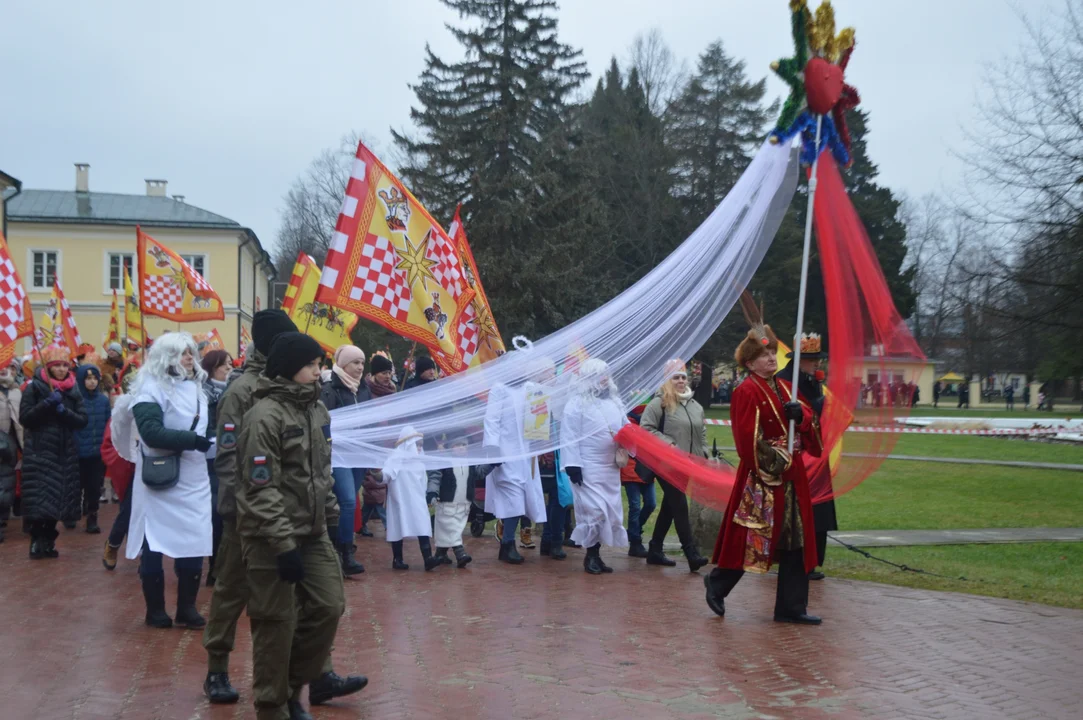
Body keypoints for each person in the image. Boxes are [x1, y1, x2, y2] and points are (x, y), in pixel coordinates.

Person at [235, 332, 362, 720]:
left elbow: (321, 472)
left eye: (319, 364)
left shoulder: (317, 411)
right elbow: (260, 488)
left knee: (329, 605)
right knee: (276, 623)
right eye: (312, 365)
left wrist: (332, 522)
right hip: (271, 538)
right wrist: (283, 543)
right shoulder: (264, 416)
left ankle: (293, 684)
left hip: (314, 532)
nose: (319, 371)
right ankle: (273, 706)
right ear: (291, 370)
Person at [704, 306, 823, 625]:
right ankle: (717, 584)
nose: (771, 358)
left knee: (795, 540)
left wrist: (803, 417)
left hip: (792, 479)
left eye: (772, 352)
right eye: (764, 354)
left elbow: (809, 423)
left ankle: (791, 606)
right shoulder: (746, 391)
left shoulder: (785, 387)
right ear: (749, 361)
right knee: (752, 539)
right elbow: (747, 441)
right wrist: (777, 460)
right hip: (762, 478)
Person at [123, 333, 212, 630]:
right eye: (182, 353)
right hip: (159, 476)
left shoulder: (198, 389)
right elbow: (150, 433)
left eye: (190, 353)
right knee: (154, 542)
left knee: (195, 539)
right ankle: (156, 610)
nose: (189, 358)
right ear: (166, 356)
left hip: (194, 475)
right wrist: (194, 441)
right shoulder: (150, 389)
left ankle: (187, 608)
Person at [638, 359, 709, 572]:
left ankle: (655, 549)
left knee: (670, 505)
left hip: (689, 464)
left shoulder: (695, 406)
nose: (680, 380)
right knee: (679, 505)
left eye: (683, 377)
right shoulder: (659, 403)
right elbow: (646, 428)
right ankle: (691, 553)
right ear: (667, 380)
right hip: (666, 463)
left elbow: (702, 432)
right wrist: (670, 444)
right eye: (675, 377)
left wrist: (703, 452)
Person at [560, 359, 629, 574]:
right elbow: (569, 436)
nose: (605, 378)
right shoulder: (576, 403)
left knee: (609, 511)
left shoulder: (615, 402)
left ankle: (597, 554)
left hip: (609, 467)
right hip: (587, 466)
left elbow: (627, 428)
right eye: (600, 374)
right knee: (594, 511)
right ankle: (590, 554)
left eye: (606, 373)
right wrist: (573, 465)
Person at [19, 344, 88, 559]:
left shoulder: (73, 389)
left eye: (64, 365)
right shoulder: (35, 388)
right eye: (56, 366)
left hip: (63, 453)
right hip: (40, 452)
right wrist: (47, 404)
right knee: (40, 500)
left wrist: (63, 411)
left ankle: (49, 540)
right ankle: (36, 540)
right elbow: (26, 418)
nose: (61, 369)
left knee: (57, 500)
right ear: (48, 368)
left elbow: (81, 420)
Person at [776, 334, 835, 581]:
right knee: (795, 509)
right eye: (812, 360)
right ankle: (795, 558)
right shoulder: (783, 382)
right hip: (795, 453)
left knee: (818, 509)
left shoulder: (813, 382)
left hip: (815, 452)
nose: (817, 364)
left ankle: (812, 560)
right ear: (800, 360)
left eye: (818, 360)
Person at [483, 354, 551, 565]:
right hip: (506, 452)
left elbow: (540, 417)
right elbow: (492, 418)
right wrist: (493, 448)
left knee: (522, 498)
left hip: (526, 452)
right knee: (513, 498)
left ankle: (508, 541)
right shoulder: (499, 389)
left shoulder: (532, 388)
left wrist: (540, 440)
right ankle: (507, 544)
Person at [320, 344, 371, 575]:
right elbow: (323, 422)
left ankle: (336, 547)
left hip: (358, 454)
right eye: (355, 363)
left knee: (347, 503)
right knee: (349, 501)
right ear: (343, 365)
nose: (360, 367)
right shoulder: (330, 389)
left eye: (362, 363)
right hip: (338, 454)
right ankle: (345, 552)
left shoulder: (362, 390)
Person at [426, 434, 493, 567]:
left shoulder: (471, 463)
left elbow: (480, 473)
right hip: (447, 502)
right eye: (457, 445)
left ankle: (441, 553)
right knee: (450, 527)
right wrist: (432, 492)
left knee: (454, 528)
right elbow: (435, 477)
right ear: (450, 448)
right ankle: (460, 552)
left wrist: (492, 464)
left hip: (464, 503)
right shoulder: (444, 462)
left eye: (464, 445)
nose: (461, 448)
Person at [380, 428, 442, 571]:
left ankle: (428, 559)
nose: (420, 448)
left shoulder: (419, 463)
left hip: (417, 500)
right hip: (400, 500)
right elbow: (386, 475)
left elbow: (423, 481)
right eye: (417, 445)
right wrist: (378, 475)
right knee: (397, 526)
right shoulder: (395, 459)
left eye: (421, 445)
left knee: (423, 525)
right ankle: (398, 559)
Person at [202, 349, 233, 585]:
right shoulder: (203, 393)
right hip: (209, 461)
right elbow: (206, 426)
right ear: (214, 367)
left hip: (230, 458)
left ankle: (223, 564)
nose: (229, 369)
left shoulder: (233, 391)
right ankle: (213, 566)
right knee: (215, 512)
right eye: (226, 365)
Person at [74, 364, 111, 534]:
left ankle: (92, 517)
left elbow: (108, 423)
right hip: (79, 451)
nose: (92, 382)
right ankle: (73, 513)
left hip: (97, 452)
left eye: (95, 378)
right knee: (77, 485)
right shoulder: (75, 399)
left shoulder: (103, 400)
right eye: (88, 378)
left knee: (95, 487)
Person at [101, 395, 136, 570]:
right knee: (129, 509)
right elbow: (110, 443)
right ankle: (113, 544)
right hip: (131, 466)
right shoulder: (123, 410)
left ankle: (146, 553)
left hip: (156, 463)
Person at [0, 360, 24, 544]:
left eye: (10, 367)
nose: (5, 370)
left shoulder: (17, 392)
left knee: (7, 483)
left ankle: (3, 514)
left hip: (11, 444)